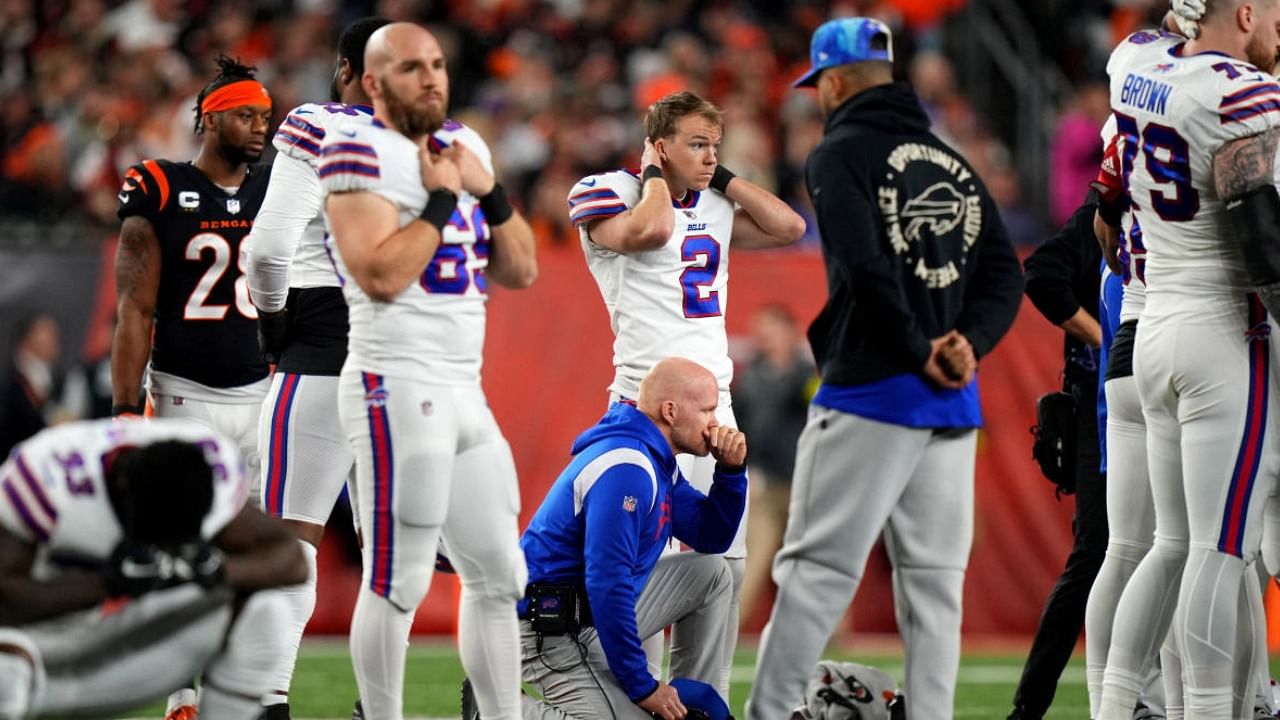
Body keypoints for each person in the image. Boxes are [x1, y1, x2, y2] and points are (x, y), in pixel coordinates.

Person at [746, 17, 1022, 720]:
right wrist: (967, 343)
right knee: (934, 587)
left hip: (873, 387)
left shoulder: (838, 153)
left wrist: (914, 344)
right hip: (954, 403)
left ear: (833, 83)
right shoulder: (950, 158)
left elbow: (866, 267)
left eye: (818, 87)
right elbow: (1002, 277)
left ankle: (769, 713)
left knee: (813, 573)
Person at [321, 22, 538, 720]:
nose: (433, 78)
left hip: (463, 388)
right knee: (399, 578)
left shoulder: (467, 145)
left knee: (501, 574)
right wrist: (445, 202)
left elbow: (523, 267)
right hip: (394, 382)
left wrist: (486, 191)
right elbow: (381, 272)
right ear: (375, 82)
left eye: (439, 64)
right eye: (413, 67)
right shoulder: (355, 149)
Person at [567, 90, 805, 695]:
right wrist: (652, 172)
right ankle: (634, 695)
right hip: (642, 412)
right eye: (696, 145)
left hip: (714, 407)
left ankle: (705, 700)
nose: (708, 158)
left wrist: (720, 175)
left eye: (714, 146)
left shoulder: (715, 201)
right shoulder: (610, 192)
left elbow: (791, 227)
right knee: (645, 568)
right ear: (659, 143)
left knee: (722, 567)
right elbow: (648, 230)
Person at [1098, 2, 1280, 717]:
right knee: (1219, 548)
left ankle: (1114, 708)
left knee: (1167, 545)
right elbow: (1264, 247)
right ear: (1243, 11)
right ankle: (1208, 710)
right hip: (1221, 330)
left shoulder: (1134, 60)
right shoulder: (1244, 97)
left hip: (1151, 324)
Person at [241, 16, 389, 719]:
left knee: (286, 541)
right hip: (406, 355)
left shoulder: (319, 123)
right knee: (395, 559)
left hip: (323, 340)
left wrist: (273, 325)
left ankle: (264, 702)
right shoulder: (444, 141)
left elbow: (267, 249)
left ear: (345, 71)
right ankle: (382, 709)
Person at [0, 417, 308, 720]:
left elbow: (292, 560)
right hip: (42, 652)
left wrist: (217, 569)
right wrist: (104, 584)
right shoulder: (47, 474)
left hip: (134, 643)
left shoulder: (208, 470)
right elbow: (5, 596)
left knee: (267, 611)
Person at [517, 357, 748, 720]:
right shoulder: (627, 468)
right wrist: (643, 687)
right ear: (670, 411)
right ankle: (499, 707)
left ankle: (694, 707)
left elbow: (711, 536)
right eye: (706, 410)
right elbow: (608, 582)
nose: (715, 422)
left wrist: (731, 474)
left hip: (588, 611)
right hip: (550, 627)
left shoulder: (655, 457)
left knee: (712, 573)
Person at [111, 55, 273, 497]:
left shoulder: (277, 187)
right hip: (184, 393)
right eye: (246, 116)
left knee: (264, 541)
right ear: (210, 120)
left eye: (264, 117)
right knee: (186, 526)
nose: (260, 127)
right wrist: (125, 409)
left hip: (263, 392)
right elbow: (135, 309)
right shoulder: (160, 185)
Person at [1007, 193, 1107, 720]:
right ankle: (1032, 705)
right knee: (1102, 550)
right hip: (1107, 406)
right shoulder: (1106, 206)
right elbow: (1042, 274)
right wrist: (1108, 339)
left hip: (1150, 396)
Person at [732, 304, 814, 626]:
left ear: (790, 332)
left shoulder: (808, 376)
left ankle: (834, 636)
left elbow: (823, 418)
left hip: (804, 486)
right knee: (750, 562)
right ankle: (728, 631)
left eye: (770, 330)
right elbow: (741, 424)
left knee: (814, 564)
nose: (763, 338)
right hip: (765, 484)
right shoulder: (752, 377)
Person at [0, 312, 62, 458]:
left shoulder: (57, 382)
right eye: (45, 332)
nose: (54, 338)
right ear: (25, 341)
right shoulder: (10, 385)